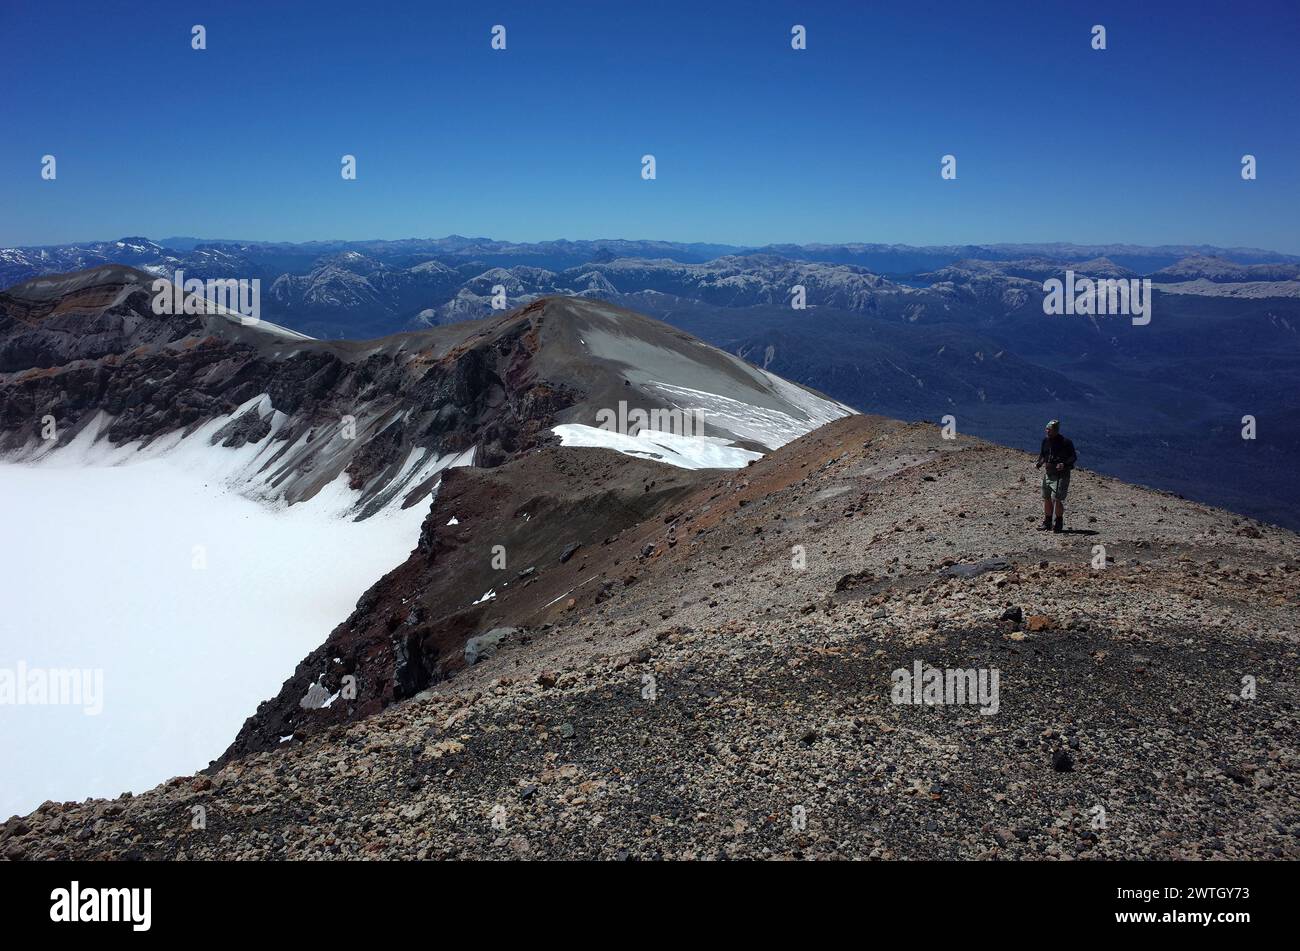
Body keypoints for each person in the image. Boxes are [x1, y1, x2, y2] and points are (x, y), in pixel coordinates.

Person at [1035, 419, 1076, 533]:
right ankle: (1047, 522)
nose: (1047, 431)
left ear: (1056, 430)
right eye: (1047, 429)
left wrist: (1064, 464)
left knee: (1057, 499)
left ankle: (1058, 521)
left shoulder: (1066, 442)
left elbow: (1073, 457)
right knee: (1046, 497)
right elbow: (1043, 454)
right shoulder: (1045, 441)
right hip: (1048, 473)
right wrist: (1040, 463)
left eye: (1050, 429)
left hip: (1061, 475)